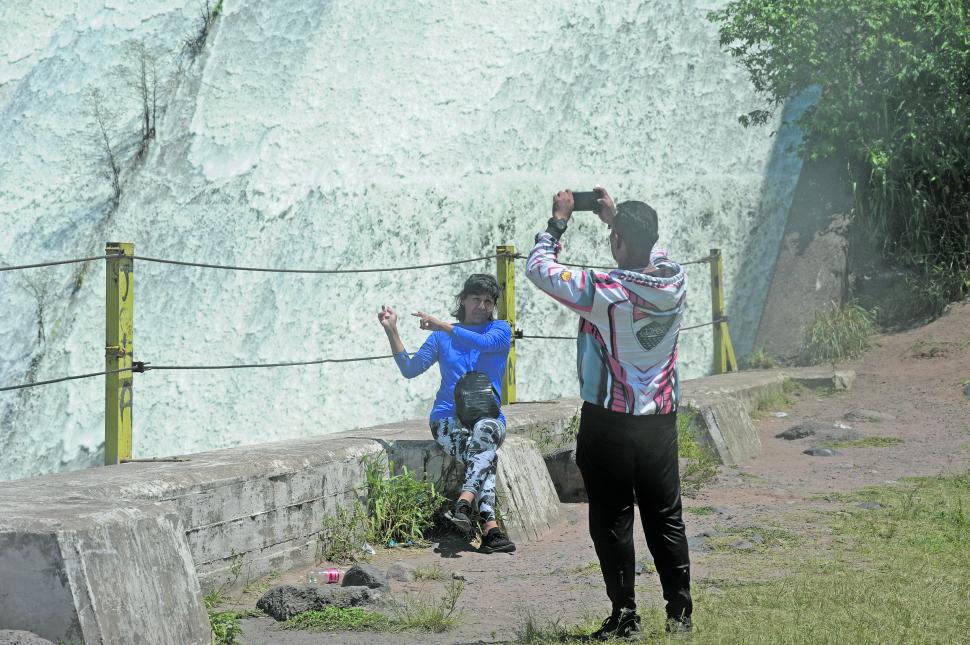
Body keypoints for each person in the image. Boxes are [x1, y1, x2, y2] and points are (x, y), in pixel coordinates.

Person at [525, 187, 692, 638]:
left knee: (612, 515)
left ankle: (626, 616)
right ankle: (680, 616)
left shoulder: (605, 291)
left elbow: (539, 269)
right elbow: (652, 250)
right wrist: (616, 221)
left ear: (618, 242)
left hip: (609, 419)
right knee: (665, 514)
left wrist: (558, 221)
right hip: (659, 418)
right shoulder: (676, 281)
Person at [377, 273, 516, 554]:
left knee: (485, 433)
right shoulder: (441, 338)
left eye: (489, 301)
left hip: (488, 418)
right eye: (476, 299)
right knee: (484, 454)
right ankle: (490, 530)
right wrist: (392, 330)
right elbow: (410, 369)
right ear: (463, 300)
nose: (482, 306)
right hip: (446, 419)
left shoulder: (500, 330)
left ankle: (465, 502)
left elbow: (485, 345)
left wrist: (443, 325)